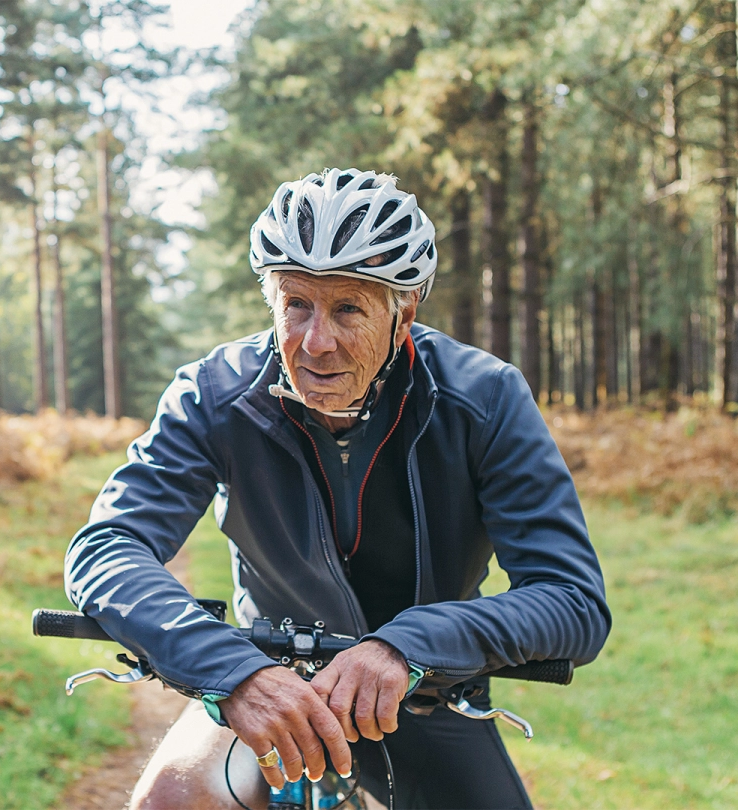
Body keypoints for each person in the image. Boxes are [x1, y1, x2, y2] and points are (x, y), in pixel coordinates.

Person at [63, 168, 610, 809]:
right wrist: (231, 669)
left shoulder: (484, 398)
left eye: (348, 308)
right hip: (268, 681)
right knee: (171, 800)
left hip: (428, 693)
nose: (315, 342)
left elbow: (571, 600)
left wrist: (410, 645)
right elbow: (108, 547)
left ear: (402, 313)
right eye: (296, 304)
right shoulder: (212, 394)